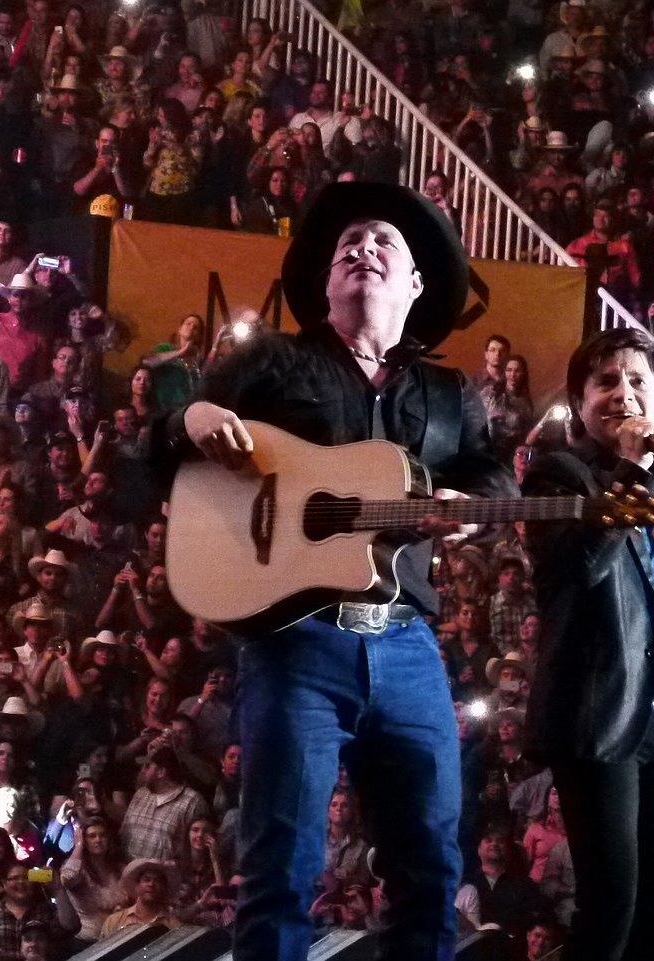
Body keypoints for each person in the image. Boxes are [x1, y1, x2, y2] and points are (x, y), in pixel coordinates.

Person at [149, 182, 515, 961]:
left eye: (384, 241)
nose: (362, 247)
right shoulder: (273, 363)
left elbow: (495, 478)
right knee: (279, 864)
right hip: (295, 640)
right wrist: (192, 416)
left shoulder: (451, 397)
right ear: (323, 283)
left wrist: (471, 501)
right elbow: (160, 454)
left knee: (430, 862)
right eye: (348, 242)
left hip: (408, 642)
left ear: (416, 285)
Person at [522, 326, 654, 961]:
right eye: (604, 381)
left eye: (637, 381)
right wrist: (632, 465)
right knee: (611, 913)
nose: (622, 393)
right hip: (601, 716)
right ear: (580, 404)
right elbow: (578, 569)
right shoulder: (558, 476)